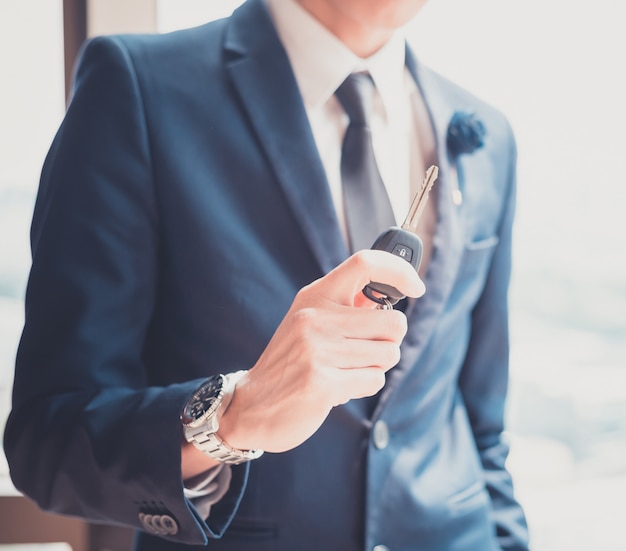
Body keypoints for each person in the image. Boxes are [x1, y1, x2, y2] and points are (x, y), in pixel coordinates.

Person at [3, 0, 530, 549]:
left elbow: (483, 428)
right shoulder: (139, 87)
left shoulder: (485, 134)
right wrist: (234, 415)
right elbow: (49, 442)